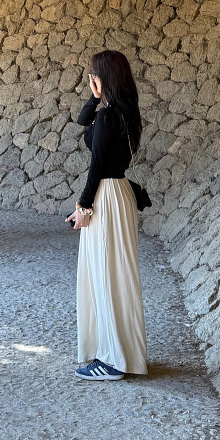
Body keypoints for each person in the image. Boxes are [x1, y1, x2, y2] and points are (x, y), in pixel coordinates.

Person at [66, 49, 148, 380]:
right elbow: (83, 121)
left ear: (104, 78)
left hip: (106, 196)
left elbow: (97, 164)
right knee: (118, 276)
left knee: (105, 276)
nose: (91, 79)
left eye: (95, 74)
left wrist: (84, 207)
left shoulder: (109, 117)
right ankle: (119, 355)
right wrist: (95, 97)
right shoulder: (127, 114)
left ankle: (113, 361)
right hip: (120, 194)